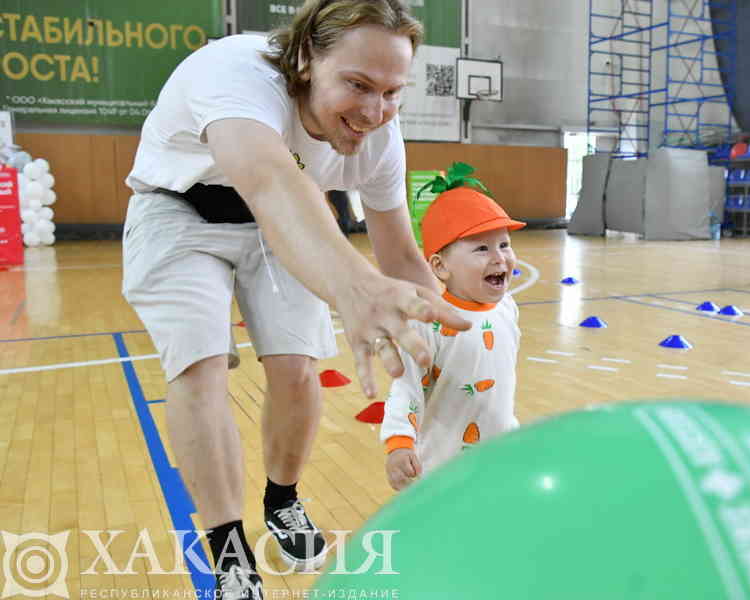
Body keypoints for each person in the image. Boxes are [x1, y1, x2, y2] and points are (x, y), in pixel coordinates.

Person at [122, 1, 470, 597]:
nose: (373, 111)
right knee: (200, 366)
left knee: (296, 370)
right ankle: (229, 550)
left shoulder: (381, 136)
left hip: (285, 221)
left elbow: (401, 255)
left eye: (392, 92)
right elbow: (268, 180)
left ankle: (281, 499)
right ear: (307, 58)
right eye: (357, 85)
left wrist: (454, 336)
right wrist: (353, 287)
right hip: (181, 208)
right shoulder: (233, 73)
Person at [380, 186, 525, 490]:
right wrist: (399, 442)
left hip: (500, 454)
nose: (499, 258)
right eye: (482, 249)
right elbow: (406, 389)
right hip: (441, 466)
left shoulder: (507, 308)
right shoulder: (427, 324)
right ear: (440, 266)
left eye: (504, 244)